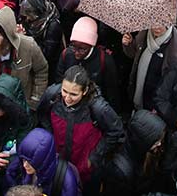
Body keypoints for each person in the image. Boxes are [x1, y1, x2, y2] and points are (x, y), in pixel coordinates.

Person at [36, 65, 132, 195]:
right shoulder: (52, 95)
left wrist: (94, 157)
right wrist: (51, 135)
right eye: (64, 91)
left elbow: (115, 131)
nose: (67, 98)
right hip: (58, 162)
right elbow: (42, 114)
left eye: (74, 94)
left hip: (85, 169)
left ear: (85, 91)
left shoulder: (98, 108)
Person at [0, 6, 50, 111]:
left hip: (21, 108)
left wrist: (34, 101)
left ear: (8, 36)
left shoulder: (29, 46)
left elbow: (41, 70)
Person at [4, 127, 81, 196]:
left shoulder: (65, 178)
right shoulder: (22, 161)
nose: (25, 165)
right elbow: (9, 178)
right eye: (23, 160)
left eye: (31, 163)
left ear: (43, 161)